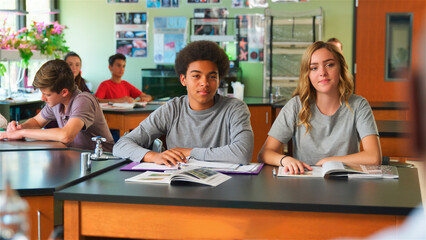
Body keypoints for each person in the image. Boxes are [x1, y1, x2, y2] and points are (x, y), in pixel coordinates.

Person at [113, 40, 254, 166]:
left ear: (218, 80)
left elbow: (242, 153)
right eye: (196, 76)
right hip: (178, 185)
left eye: (212, 76)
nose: (204, 83)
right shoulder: (172, 109)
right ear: (183, 79)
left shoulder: (235, 108)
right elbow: (121, 145)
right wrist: (154, 156)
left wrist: (189, 152)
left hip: (223, 185)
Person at [258, 41, 381, 173]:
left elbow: (374, 157)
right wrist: (285, 160)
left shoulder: (359, 105)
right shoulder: (295, 106)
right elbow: (265, 153)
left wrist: (331, 161)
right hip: (304, 184)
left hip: (346, 183)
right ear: (308, 74)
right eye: (314, 68)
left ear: (340, 68)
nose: (322, 72)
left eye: (329, 65)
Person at [0, 59, 114, 152]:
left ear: (64, 92)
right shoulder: (56, 102)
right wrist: (19, 128)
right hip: (76, 158)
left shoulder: (84, 100)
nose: (42, 98)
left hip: (103, 162)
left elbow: (66, 135)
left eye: (47, 94)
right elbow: (37, 122)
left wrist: (22, 133)